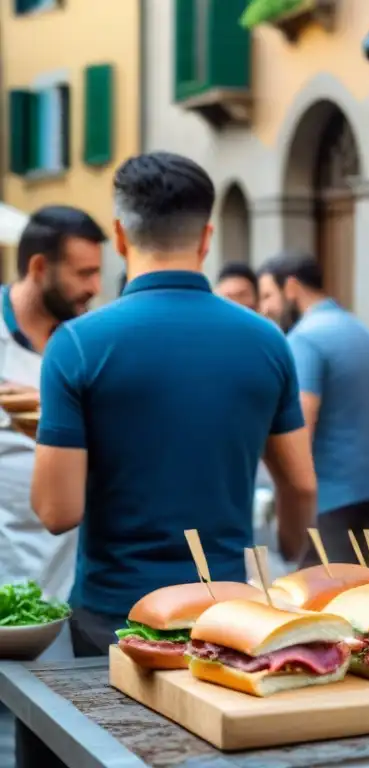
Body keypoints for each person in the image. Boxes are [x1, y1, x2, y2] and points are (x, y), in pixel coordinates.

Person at [30, 152, 318, 656]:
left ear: (120, 238)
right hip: (223, 613)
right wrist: (291, 549)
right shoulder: (268, 341)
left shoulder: (77, 345)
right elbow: (300, 483)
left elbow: (57, 511)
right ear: (207, 239)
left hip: (113, 619)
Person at [258, 252, 369, 565]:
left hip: (330, 500)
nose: (264, 308)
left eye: (267, 295)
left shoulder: (305, 339)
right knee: (358, 590)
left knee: (323, 603)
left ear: (291, 288)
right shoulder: (356, 328)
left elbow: (298, 433)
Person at [0, 206, 104, 606]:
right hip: (9, 573)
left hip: (73, 586)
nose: (95, 286)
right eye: (83, 274)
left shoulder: (90, 342)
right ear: (39, 266)